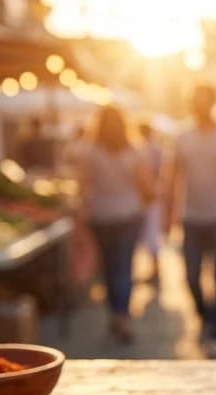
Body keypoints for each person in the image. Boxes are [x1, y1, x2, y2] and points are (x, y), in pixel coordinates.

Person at [163, 83, 216, 359]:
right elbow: (172, 177)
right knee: (191, 276)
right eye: (195, 101)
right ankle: (204, 314)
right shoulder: (182, 137)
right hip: (192, 218)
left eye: (204, 101)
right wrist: (168, 214)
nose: (199, 106)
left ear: (212, 103)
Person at [77, 104, 153, 343]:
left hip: (100, 215)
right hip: (127, 214)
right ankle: (122, 316)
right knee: (123, 268)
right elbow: (146, 188)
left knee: (109, 268)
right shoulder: (135, 151)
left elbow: (83, 187)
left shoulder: (90, 151)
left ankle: (115, 313)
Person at [137, 121, 164, 284]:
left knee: (151, 235)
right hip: (150, 196)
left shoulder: (146, 149)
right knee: (150, 235)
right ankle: (154, 270)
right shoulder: (153, 148)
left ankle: (155, 271)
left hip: (149, 197)